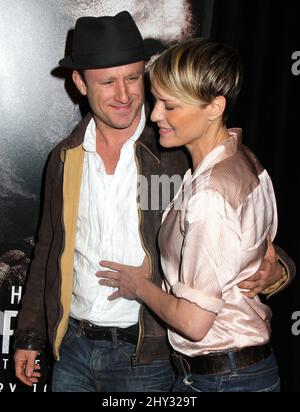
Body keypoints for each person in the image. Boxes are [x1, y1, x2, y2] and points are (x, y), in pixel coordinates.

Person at [13, 13, 293, 392]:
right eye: (107, 82)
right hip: (74, 349)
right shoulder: (66, 158)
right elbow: (48, 249)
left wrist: (279, 269)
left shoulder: (176, 151)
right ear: (80, 83)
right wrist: (30, 336)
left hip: (146, 355)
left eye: (132, 78)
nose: (124, 95)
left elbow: (241, 220)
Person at [98, 37, 293, 392]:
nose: (155, 114)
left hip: (223, 377)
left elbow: (193, 323)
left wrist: (137, 286)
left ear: (214, 107)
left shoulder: (210, 194)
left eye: (169, 106)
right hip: (236, 370)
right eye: (156, 101)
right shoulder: (241, 158)